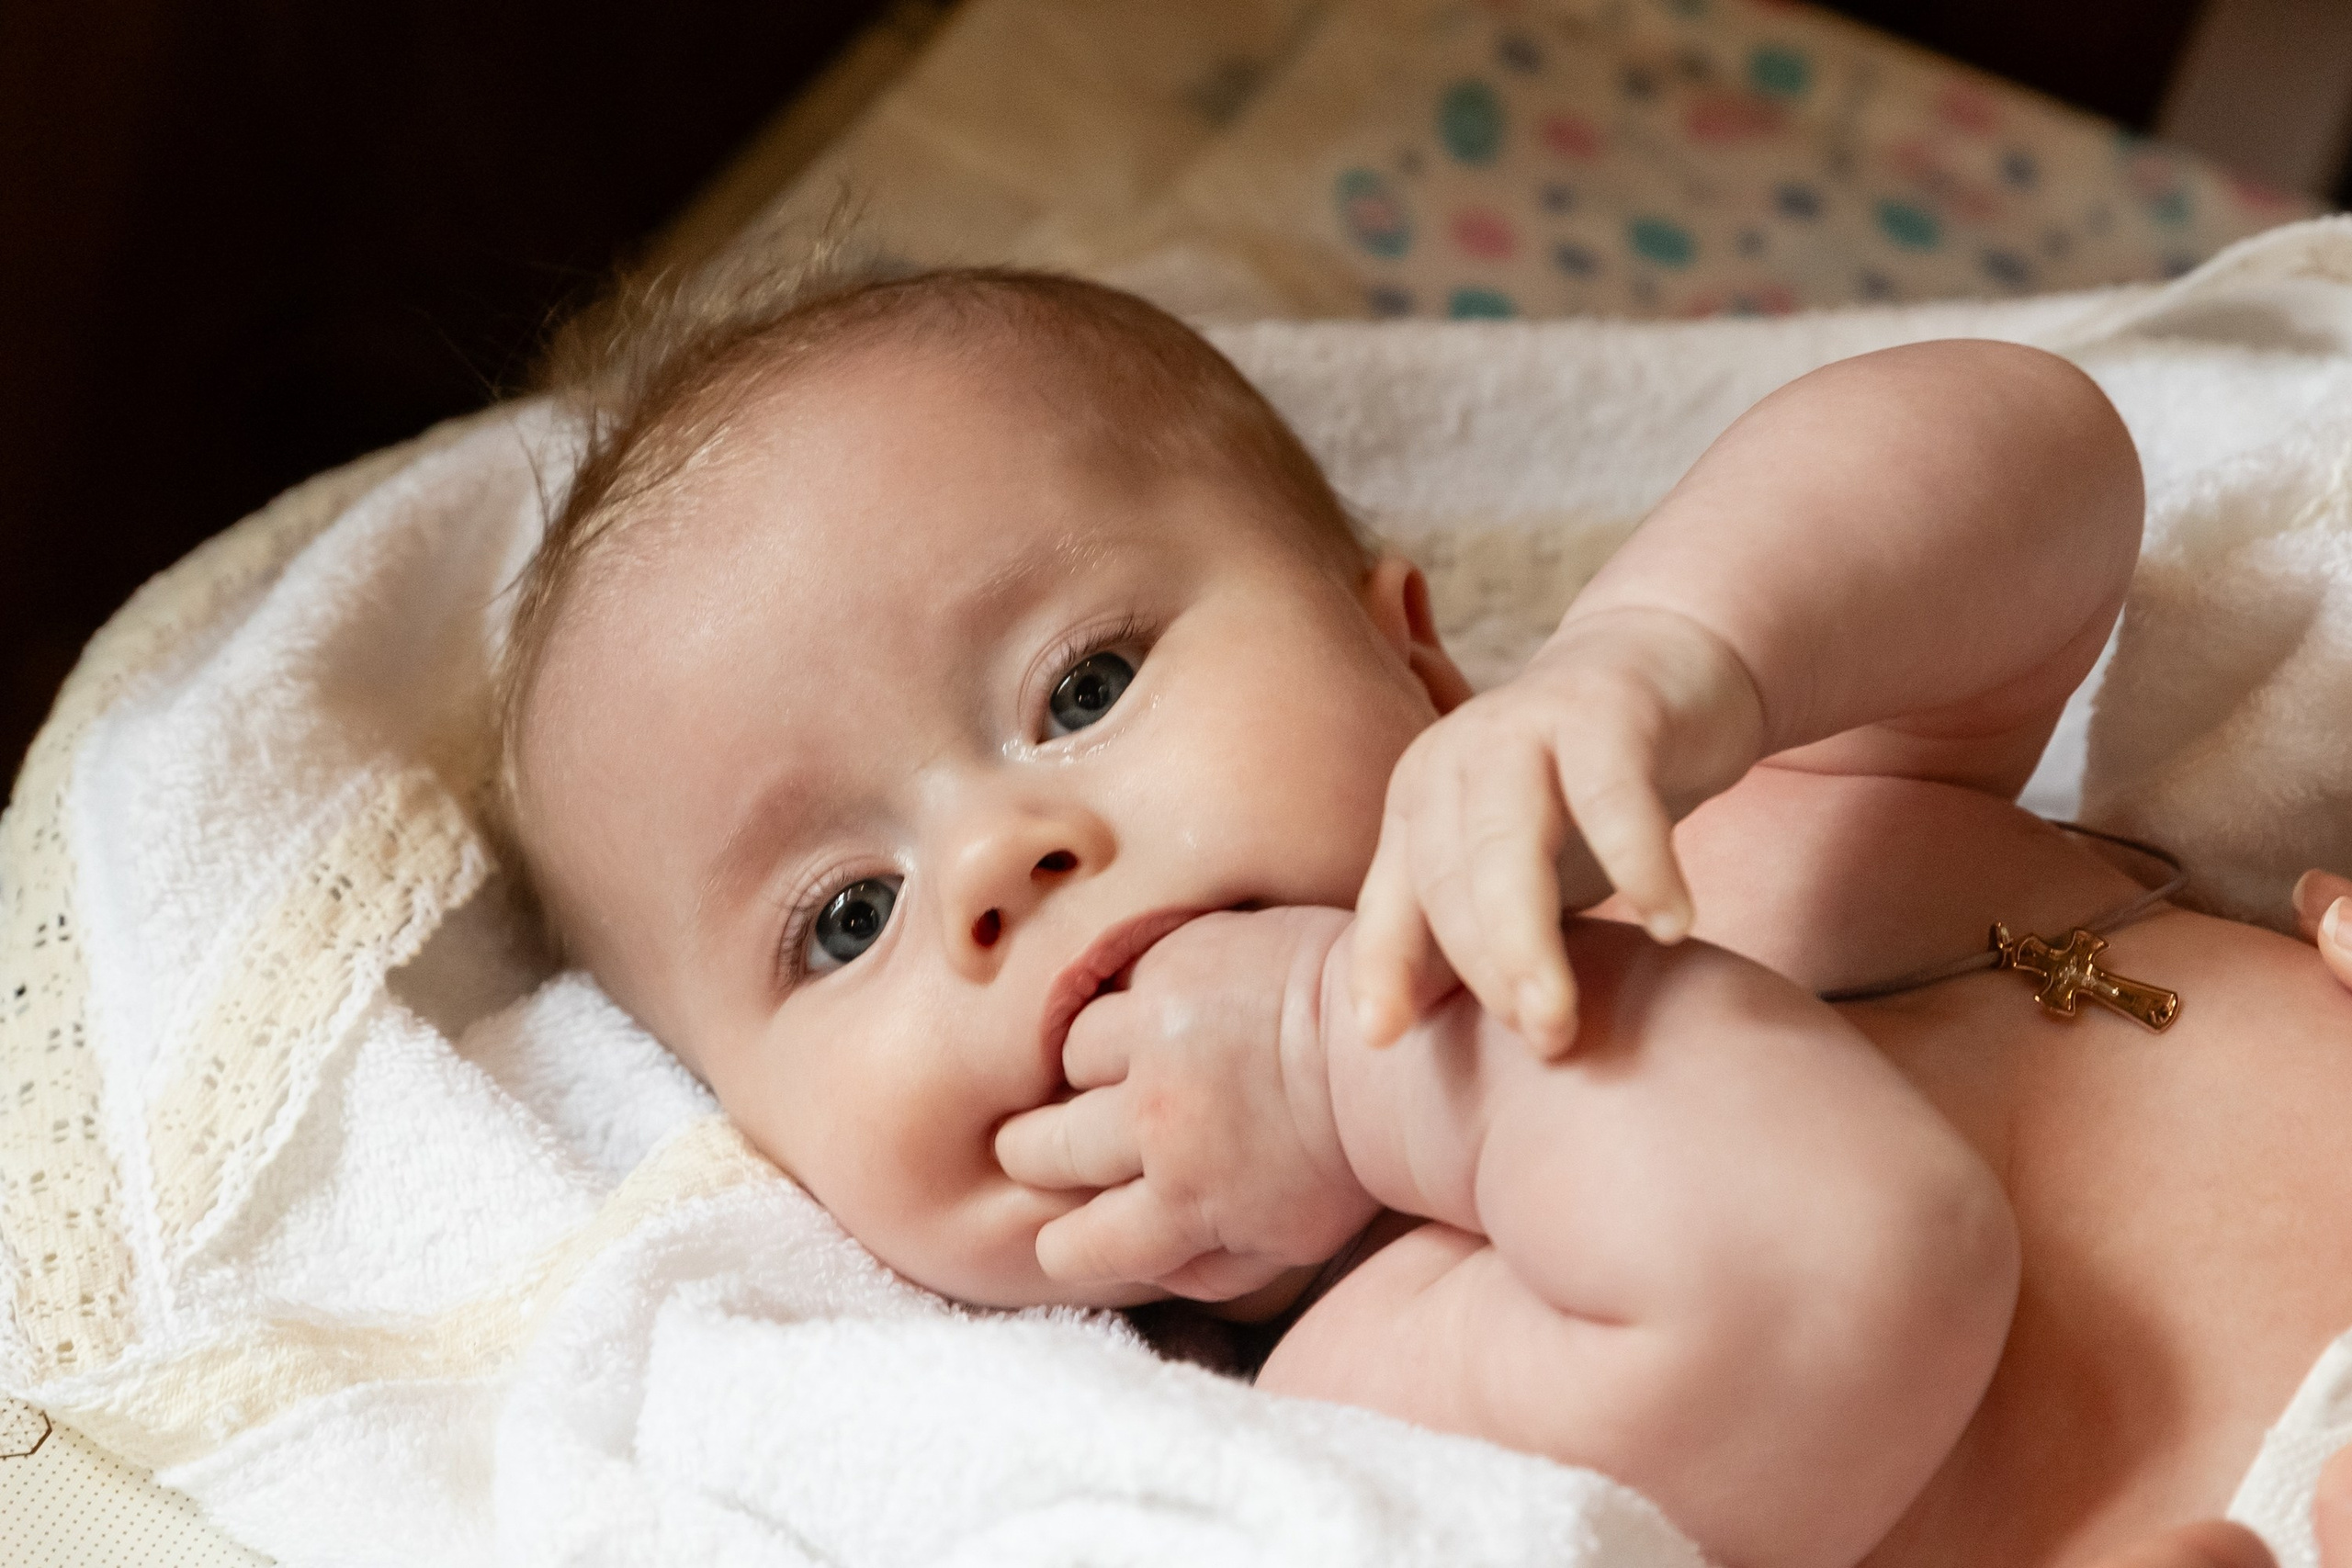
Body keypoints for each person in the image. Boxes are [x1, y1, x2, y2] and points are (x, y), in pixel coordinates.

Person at [494, 260, 2352, 1568]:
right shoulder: (1367, 1401)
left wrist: (1677, 650)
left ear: (1415, 661)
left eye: (1083, 685)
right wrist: (1349, 1059)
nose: (1003, 857)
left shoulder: (1741, 817)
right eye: (844, 917)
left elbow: (2044, 463)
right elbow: (1845, 1257)